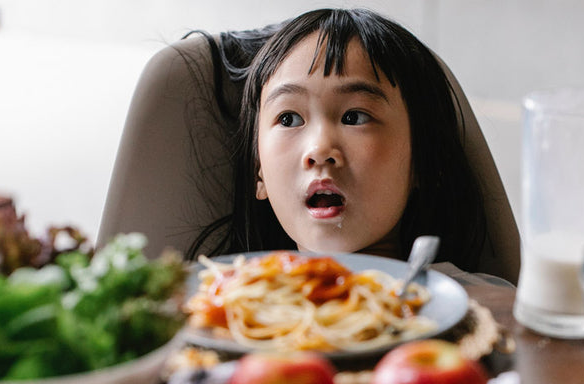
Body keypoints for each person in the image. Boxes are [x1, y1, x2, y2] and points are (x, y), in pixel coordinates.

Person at [187, 8, 490, 273]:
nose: (319, 149)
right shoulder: (223, 314)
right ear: (259, 170)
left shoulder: (478, 308)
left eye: (354, 117)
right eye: (289, 119)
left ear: (424, 160)